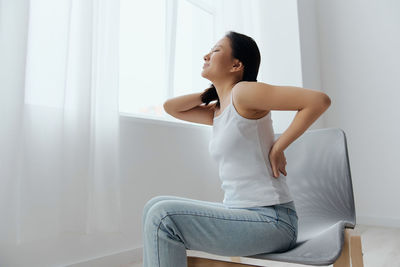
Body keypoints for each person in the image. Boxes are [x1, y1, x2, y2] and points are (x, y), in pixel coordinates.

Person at [143, 30, 331, 267]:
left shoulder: (244, 93)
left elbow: (318, 101)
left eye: (216, 50)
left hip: (272, 221)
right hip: (242, 213)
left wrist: (278, 146)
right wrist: (214, 91)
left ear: (236, 64)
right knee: (154, 206)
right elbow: (172, 108)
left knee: (163, 217)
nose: (206, 55)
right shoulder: (220, 110)